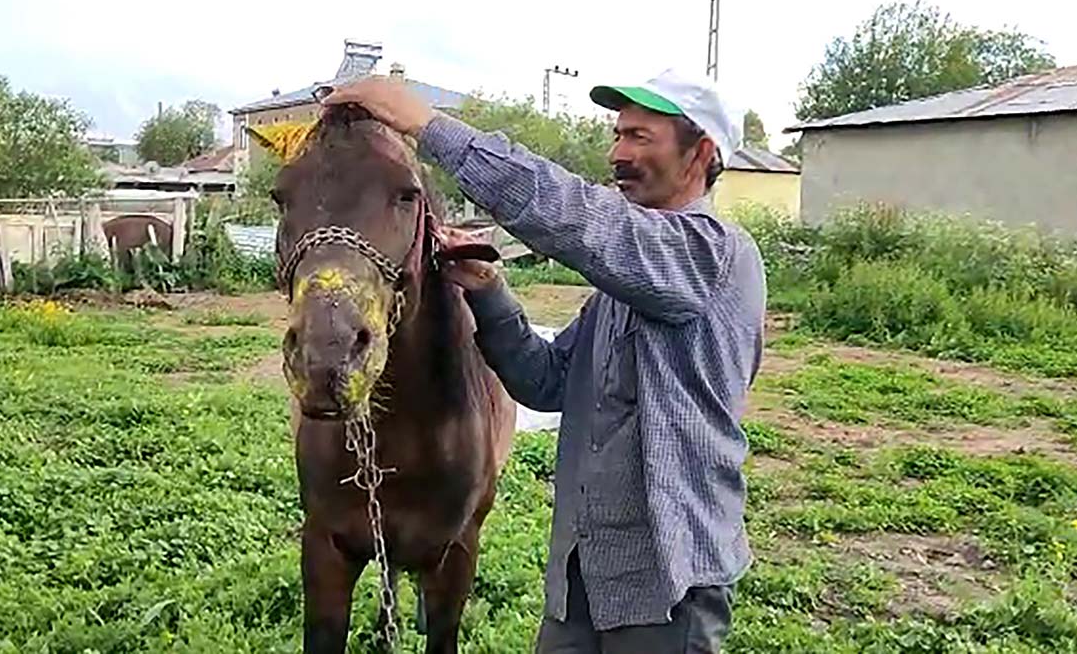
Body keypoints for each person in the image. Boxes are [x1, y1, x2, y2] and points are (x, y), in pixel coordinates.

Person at [323, 67, 765, 653]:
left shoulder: (712, 254)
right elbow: (548, 379)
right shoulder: (623, 286)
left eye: (640, 137)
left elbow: (578, 219)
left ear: (700, 153)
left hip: (668, 578)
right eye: (617, 135)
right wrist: (488, 291)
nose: (618, 154)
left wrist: (427, 126)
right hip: (583, 569)